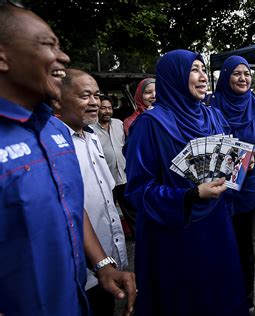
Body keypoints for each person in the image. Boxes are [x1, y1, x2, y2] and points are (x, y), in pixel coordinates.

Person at [0, 3, 136, 315]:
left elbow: (70, 206)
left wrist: (102, 265)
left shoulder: (53, 132)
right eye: (48, 45)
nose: (63, 57)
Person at [124, 49, 248, 315]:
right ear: (174, 76)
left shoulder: (214, 117)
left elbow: (227, 163)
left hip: (216, 228)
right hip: (175, 235)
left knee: (221, 296)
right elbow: (137, 190)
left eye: (204, 69)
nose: (203, 76)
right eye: (194, 69)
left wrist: (240, 163)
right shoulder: (150, 125)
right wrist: (189, 195)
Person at [57, 69, 129, 316]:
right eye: (85, 95)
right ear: (58, 98)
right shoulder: (52, 142)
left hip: (104, 261)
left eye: (97, 96)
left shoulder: (92, 137)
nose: (95, 103)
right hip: (76, 265)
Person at [210, 55, 255, 313]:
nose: (243, 78)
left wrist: (252, 154)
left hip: (247, 186)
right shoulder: (211, 105)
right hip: (216, 186)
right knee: (217, 243)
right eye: (236, 73)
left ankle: (246, 302)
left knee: (244, 245)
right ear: (226, 76)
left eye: (247, 73)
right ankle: (220, 298)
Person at [91, 95, 136, 238]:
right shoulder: (90, 129)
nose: (107, 111)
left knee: (130, 209)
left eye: (109, 108)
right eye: (103, 108)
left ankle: (137, 236)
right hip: (105, 177)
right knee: (108, 211)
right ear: (98, 109)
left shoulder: (119, 124)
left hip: (123, 174)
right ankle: (111, 239)